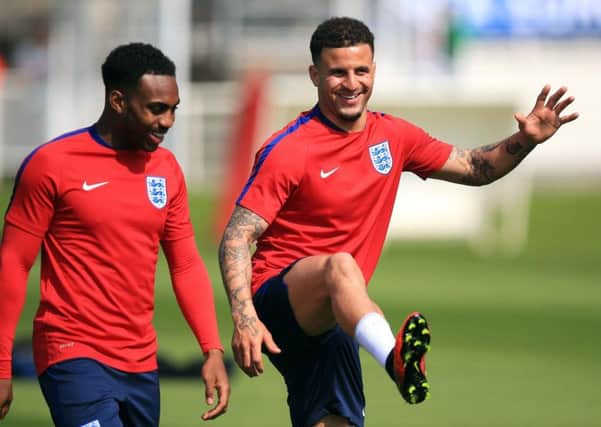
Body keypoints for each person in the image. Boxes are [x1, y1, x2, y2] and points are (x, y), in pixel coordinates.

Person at [217, 16, 578, 427]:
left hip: (335, 317)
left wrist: (526, 139)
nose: (351, 83)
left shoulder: (393, 136)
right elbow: (235, 237)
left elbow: (477, 168)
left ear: (374, 71)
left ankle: (392, 360)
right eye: (337, 72)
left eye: (360, 70)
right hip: (279, 300)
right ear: (315, 75)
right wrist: (244, 319)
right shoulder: (288, 149)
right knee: (341, 266)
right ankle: (395, 361)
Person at [0, 42, 230, 426]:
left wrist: (212, 349)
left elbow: (186, 264)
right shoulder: (51, 165)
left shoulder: (167, 170)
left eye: (174, 109)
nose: (168, 121)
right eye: (156, 109)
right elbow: (14, 262)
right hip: (71, 351)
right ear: (118, 101)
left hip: (141, 361)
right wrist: (3, 361)